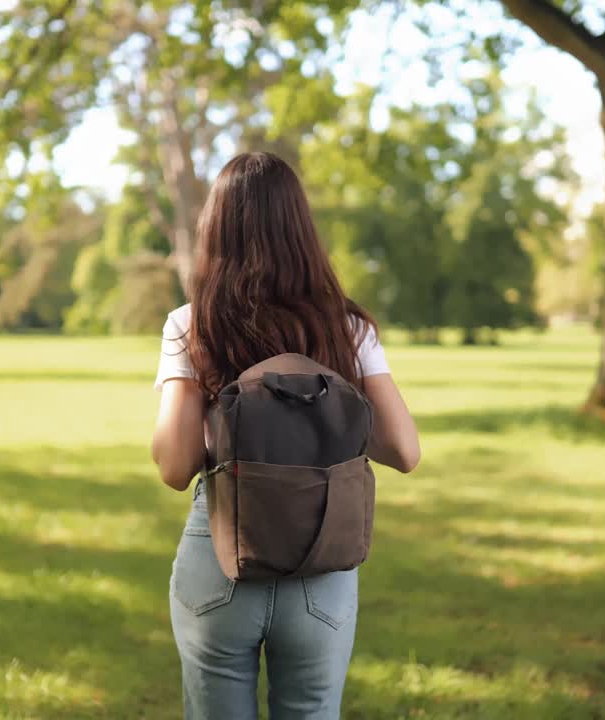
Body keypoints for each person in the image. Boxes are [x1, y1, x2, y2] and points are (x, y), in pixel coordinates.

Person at [151, 151, 421, 719]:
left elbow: (175, 467)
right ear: (301, 229)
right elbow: (404, 450)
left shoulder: (193, 323)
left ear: (215, 230)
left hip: (222, 557)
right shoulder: (347, 329)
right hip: (322, 559)